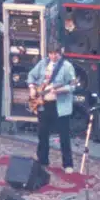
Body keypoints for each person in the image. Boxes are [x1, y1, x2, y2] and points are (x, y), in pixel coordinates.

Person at [27, 43, 79, 173]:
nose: (53, 56)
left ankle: (67, 164)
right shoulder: (43, 63)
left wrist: (60, 90)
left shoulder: (67, 66)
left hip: (60, 106)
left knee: (64, 136)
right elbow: (31, 76)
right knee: (42, 134)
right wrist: (32, 88)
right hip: (44, 104)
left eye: (55, 53)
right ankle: (42, 160)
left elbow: (73, 86)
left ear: (60, 53)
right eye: (50, 53)